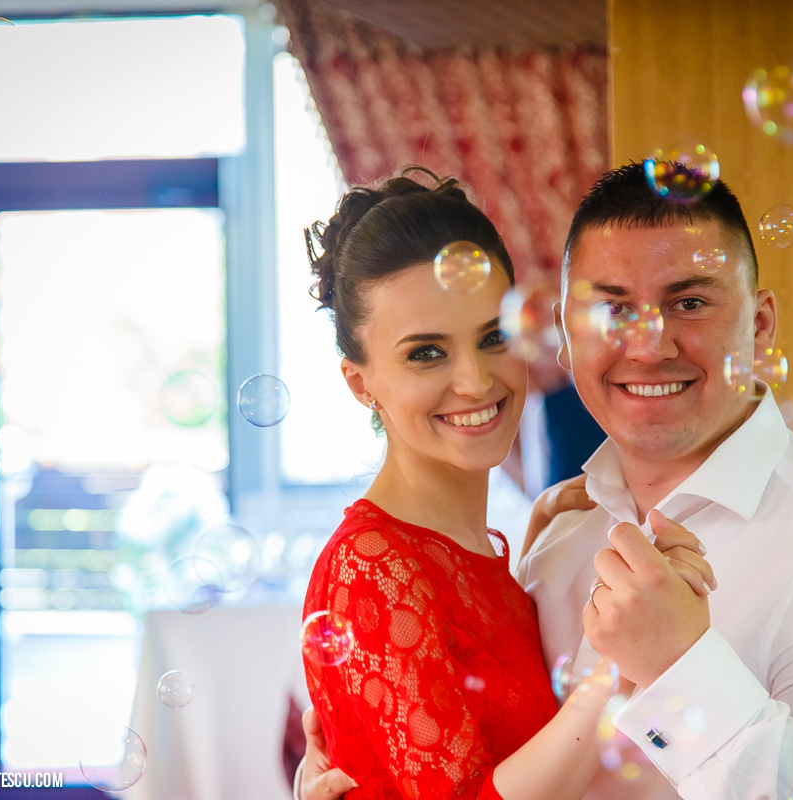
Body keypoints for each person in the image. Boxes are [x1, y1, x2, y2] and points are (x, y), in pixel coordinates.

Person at [297, 164, 793, 799]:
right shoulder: (560, 540)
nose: (648, 345)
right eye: (611, 309)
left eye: (689, 303)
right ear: (565, 334)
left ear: (759, 325)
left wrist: (679, 666)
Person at [298, 168, 717, 800]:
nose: (475, 382)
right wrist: (619, 663)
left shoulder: (478, 549)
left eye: (493, 338)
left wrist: (534, 548)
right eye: (425, 353)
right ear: (361, 384)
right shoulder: (372, 568)